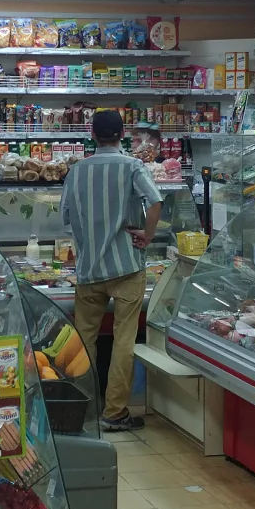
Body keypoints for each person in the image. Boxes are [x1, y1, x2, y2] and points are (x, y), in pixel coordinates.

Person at [61, 109, 163, 432]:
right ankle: (115, 412)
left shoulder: (76, 171)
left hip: (89, 269)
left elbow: (66, 217)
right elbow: (156, 201)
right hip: (126, 267)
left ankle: (83, 410)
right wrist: (147, 234)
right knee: (123, 341)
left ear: (92, 135)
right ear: (123, 135)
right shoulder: (132, 166)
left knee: (84, 341)